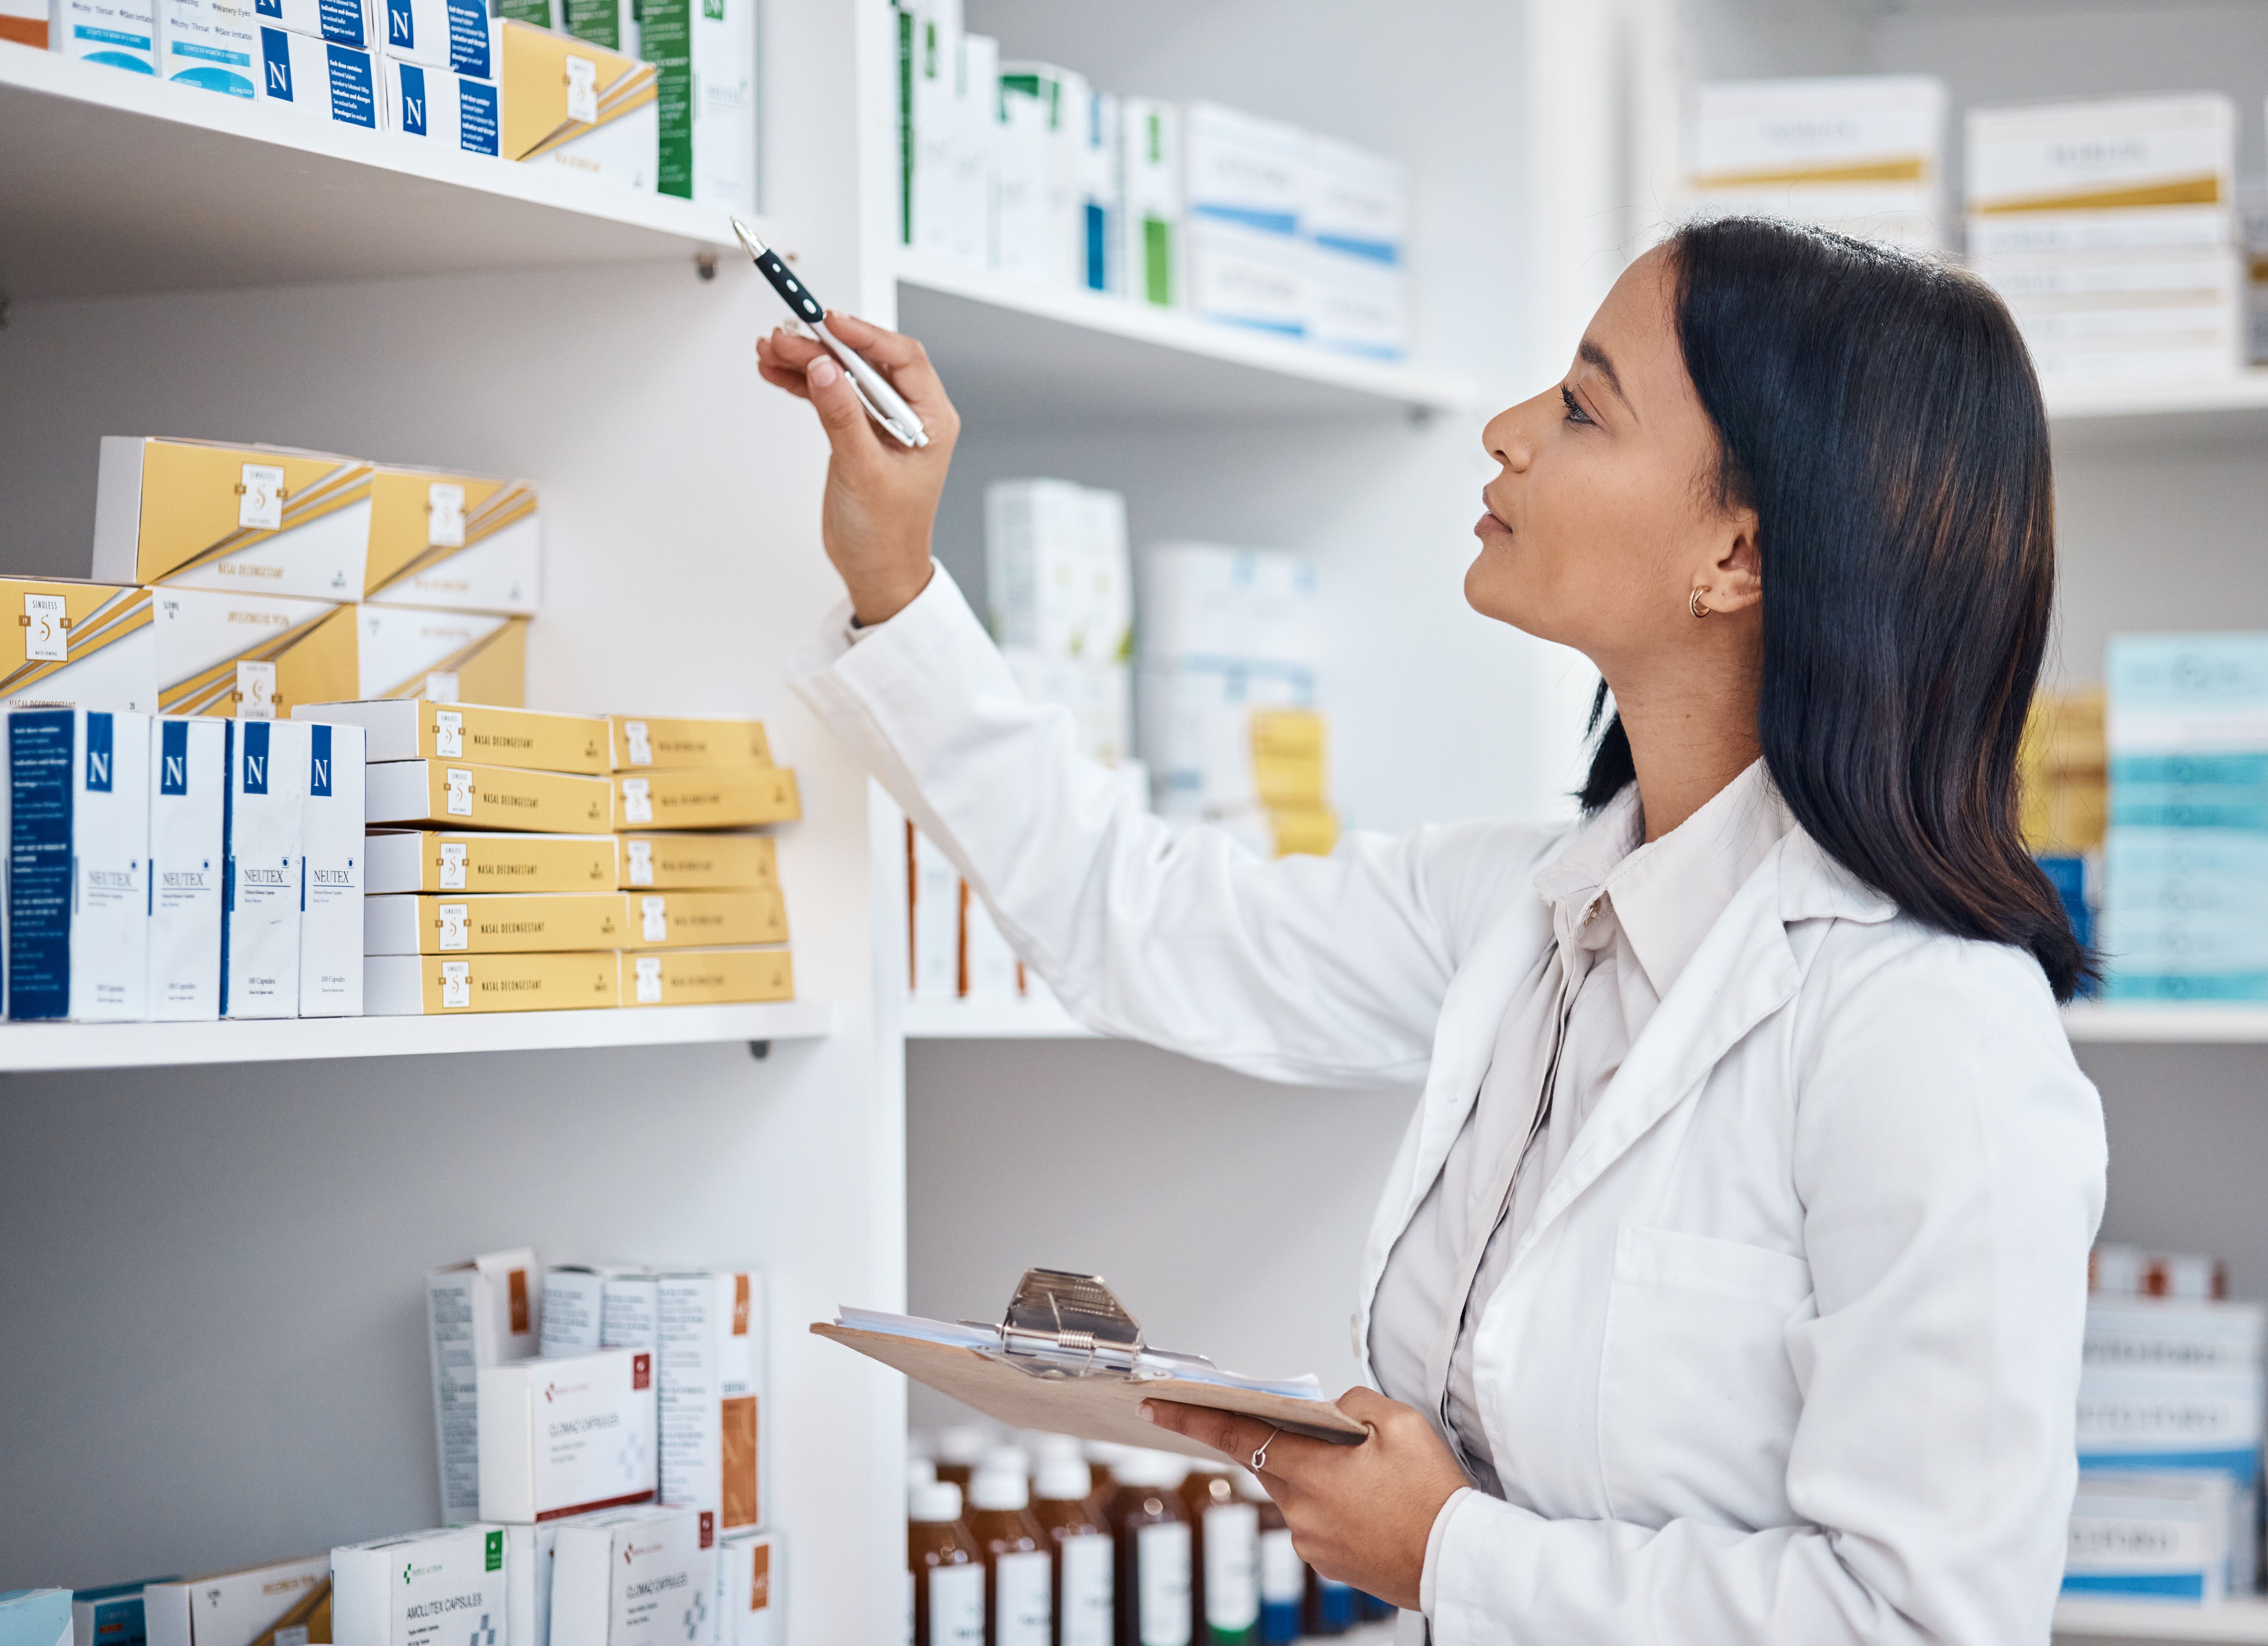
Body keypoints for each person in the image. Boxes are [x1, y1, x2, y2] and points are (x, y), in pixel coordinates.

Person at [768, 216, 2108, 1646]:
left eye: (1582, 407)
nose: (1507, 430)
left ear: (1736, 553)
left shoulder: (1929, 1031)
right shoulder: (1527, 908)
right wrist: (895, 578)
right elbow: (1138, 918)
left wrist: (1450, 1554)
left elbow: (1923, 1620)